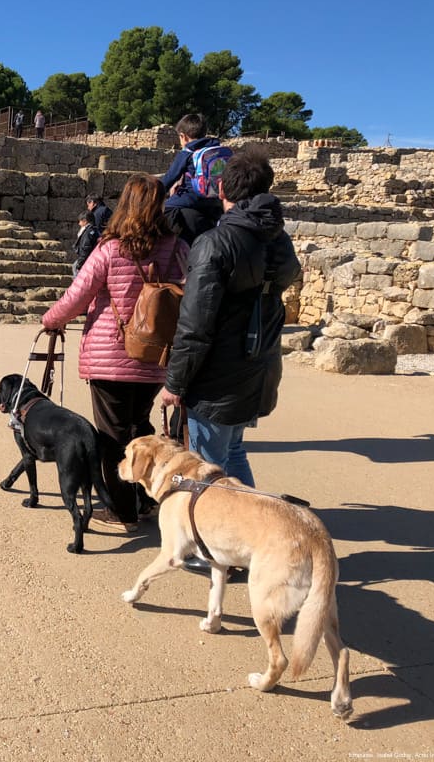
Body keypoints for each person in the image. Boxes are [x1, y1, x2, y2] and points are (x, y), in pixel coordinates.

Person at [158, 150, 301, 570]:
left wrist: (175, 384)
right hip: (256, 368)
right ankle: (259, 539)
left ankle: (215, 552)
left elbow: (196, 324)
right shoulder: (278, 239)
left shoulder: (217, 242)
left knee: (207, 469)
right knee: (233, 453)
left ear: (221, 188)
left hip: (218, 378)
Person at [42, 174, 189, 525]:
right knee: (141, 428)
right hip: (156, 356)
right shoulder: (179, 248)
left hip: (111, 356)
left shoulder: (110, 248)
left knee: (112, 437)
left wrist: (51, 320)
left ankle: (122, 508)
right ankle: (146, 497)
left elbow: (78, 296)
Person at [160, 113, 225, 244]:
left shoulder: (187, 152)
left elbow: (169, 178)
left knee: (161, 212)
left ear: (183, 136)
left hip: (189, 201)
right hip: (214, 204)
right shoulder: (217, 150)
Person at [72, 210, 98, 276]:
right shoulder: (93, 230)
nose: (79, 224)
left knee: (76, 271)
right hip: (87, 258)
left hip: (85, 259)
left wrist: (80, 262)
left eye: (80, 221)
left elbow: (86, 247)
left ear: (85, 221)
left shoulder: (88, 232)